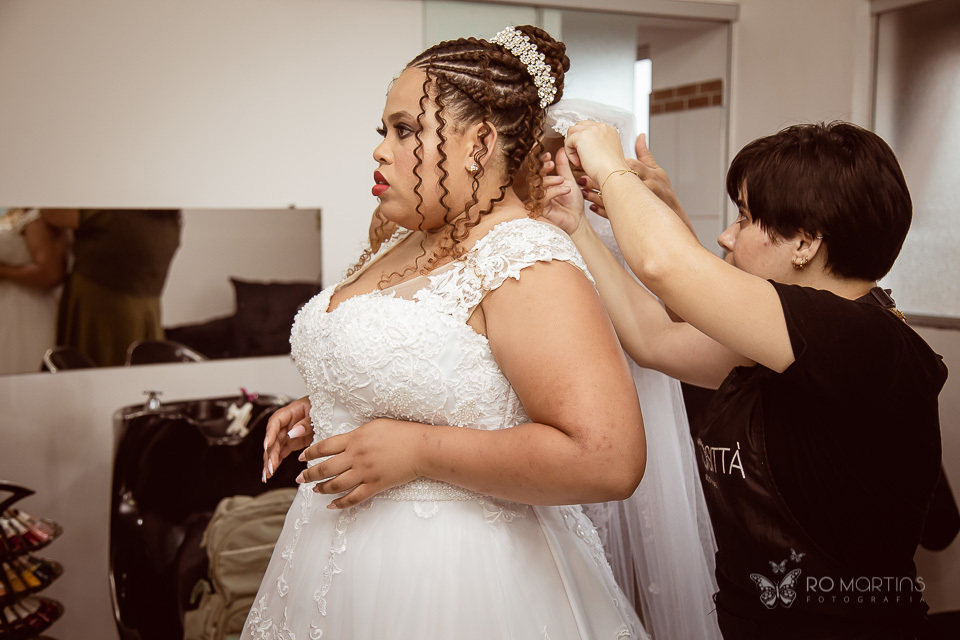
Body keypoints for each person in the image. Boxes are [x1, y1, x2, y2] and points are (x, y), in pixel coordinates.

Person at [249, 26, 648, 639]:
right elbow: (443, 367)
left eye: (404, 130)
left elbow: (608, 459)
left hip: (456, 580)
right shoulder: (404, 237)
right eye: (383, 131)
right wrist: (334, 400)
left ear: (479, 143)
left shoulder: (523, 258)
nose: (381, 150)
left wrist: (419, 450)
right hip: (332, 564)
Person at [544, 120, 948, 639]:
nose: (726, 236)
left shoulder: (860, 340)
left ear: (805, 243)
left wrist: (608, 165)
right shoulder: (792, 341)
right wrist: (577, 226)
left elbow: (666, 266)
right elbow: (655, 339)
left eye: (745, 217)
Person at [40, 209, 182, 367]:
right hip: (144, 312)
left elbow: (49, 212)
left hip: (103, 310)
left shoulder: (110, 212)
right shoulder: (169, 218)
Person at [0, 208, 66, 374]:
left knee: (23, 364)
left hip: (26, 309)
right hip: (10, 308)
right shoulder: (18, 217)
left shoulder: (35, 220)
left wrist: (3, 271)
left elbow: (50, 273)